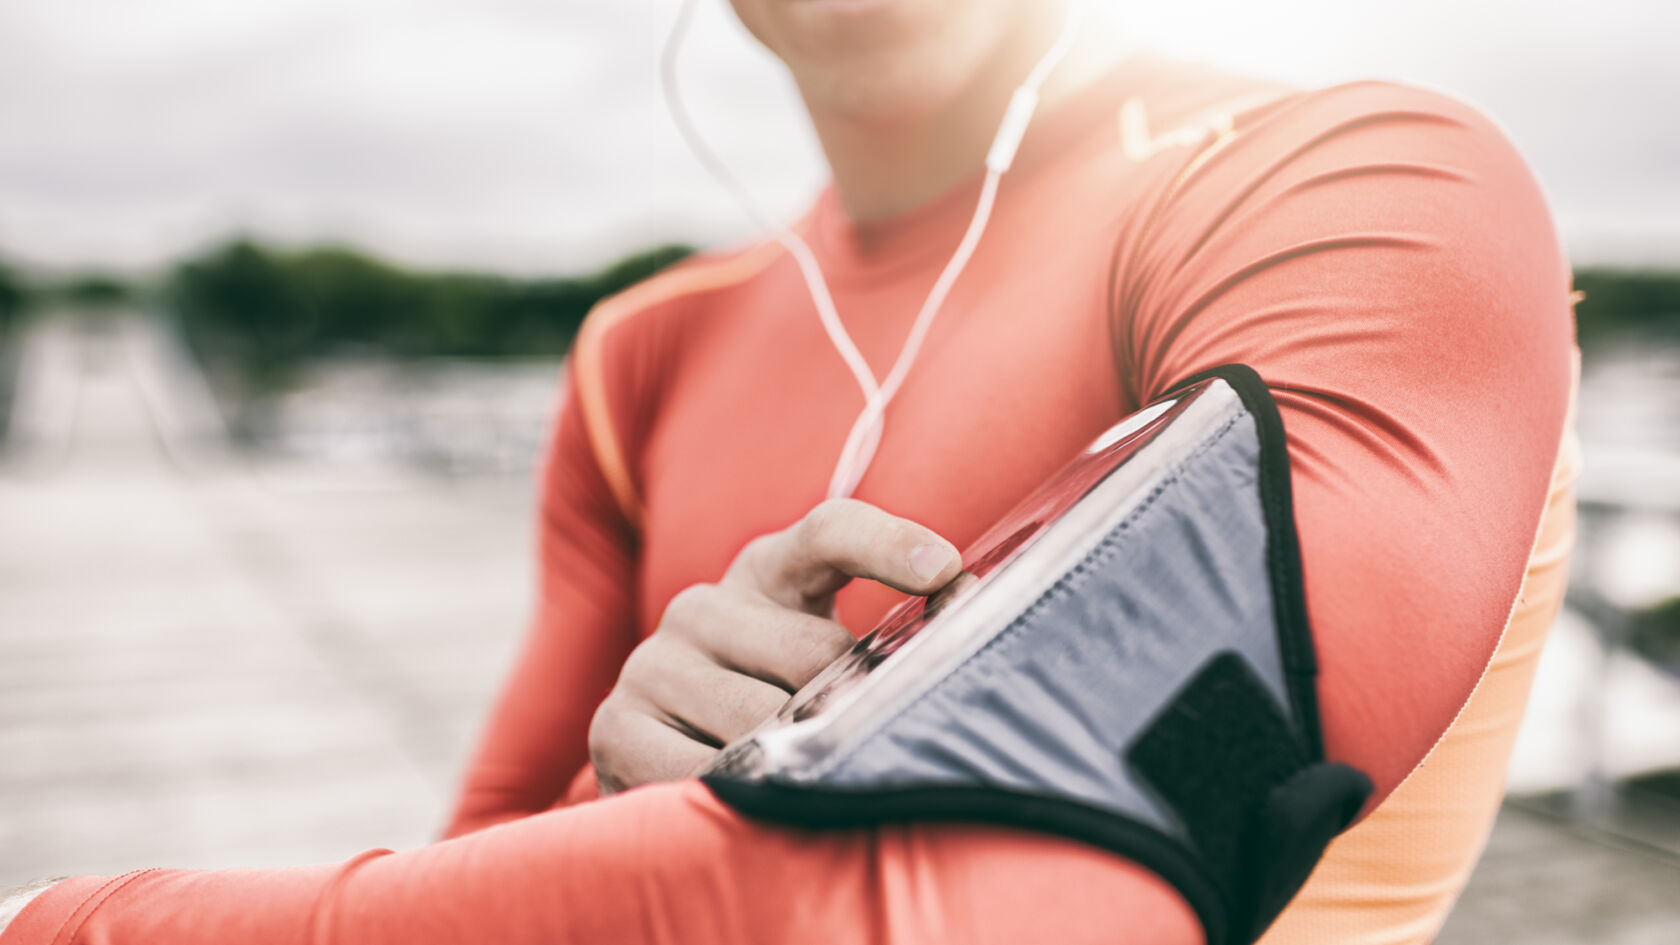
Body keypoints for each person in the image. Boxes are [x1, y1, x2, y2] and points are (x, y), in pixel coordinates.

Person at [0, 0, 1578, 942]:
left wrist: (74, 924)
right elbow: (477, 871)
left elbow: (937, 890)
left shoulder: (1351, 191)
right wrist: (616, 783)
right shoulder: (648, 349)